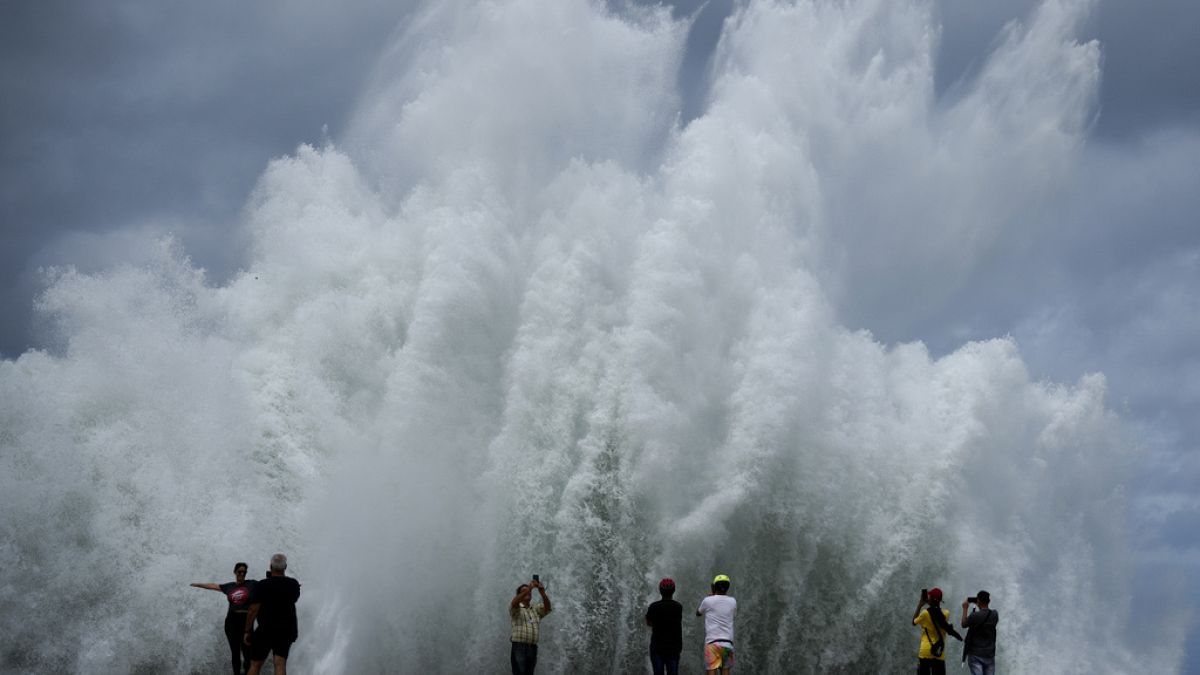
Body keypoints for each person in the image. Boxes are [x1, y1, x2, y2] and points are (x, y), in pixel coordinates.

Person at [190, 562, 256, 675]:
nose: (242, 574)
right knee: (235, 652)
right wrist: (197, 584)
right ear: (235, 572)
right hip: (231, 622)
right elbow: (213, 586)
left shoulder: (252, 584)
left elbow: (267, 585)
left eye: (244, 572)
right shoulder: (229, 586)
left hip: (246, 622)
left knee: (247, 653)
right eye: (240, 571)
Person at [243, 553, 301, 675]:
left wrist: (247, 630)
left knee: (256, 664)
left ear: (270, 566)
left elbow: (253, 609)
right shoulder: (293, 584)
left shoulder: (262, 585)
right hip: (286, 630)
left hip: (265, 629)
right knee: (280, 663)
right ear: (285, 567)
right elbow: (294, 598)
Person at [912, 587, 963, 675]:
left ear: (930, 599)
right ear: (940, 600)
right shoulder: (946, 613)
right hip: (938, 651)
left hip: (925, 651)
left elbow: (914, 622)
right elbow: (937, 615)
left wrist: (920, 604)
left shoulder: (925, 613)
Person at [509, 577, 552, 675]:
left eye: (529, 591)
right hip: (519, 647)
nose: (528, 592)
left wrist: (543, 593)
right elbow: (514, 603)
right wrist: (529, 588)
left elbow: (548, 608)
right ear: (519, 595)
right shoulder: (516, 609)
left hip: (532, 648)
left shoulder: (535, 608)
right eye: (524, 591)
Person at [696, 574, 737, 675]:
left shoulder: (707, 600)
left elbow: (698, 613)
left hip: (712, 644)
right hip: (727, 643)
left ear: (714, 587)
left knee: (711, 671)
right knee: (725, 671)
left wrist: (712, 595)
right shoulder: (733, 601)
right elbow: (733, 615)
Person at [645, 578, 683, 675]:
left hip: (657, 647)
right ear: (674, 590)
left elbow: (648, 622)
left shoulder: (653, 606)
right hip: (674, 647)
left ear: (660, 590)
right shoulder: (678, 607)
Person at [961, 591, 998, 675]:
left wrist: (965, 608)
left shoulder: (975, 616)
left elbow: (964, 624)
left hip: (975, 655)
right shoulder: (995, 614)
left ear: (978, 601)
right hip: (989, 655)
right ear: (989, 601)